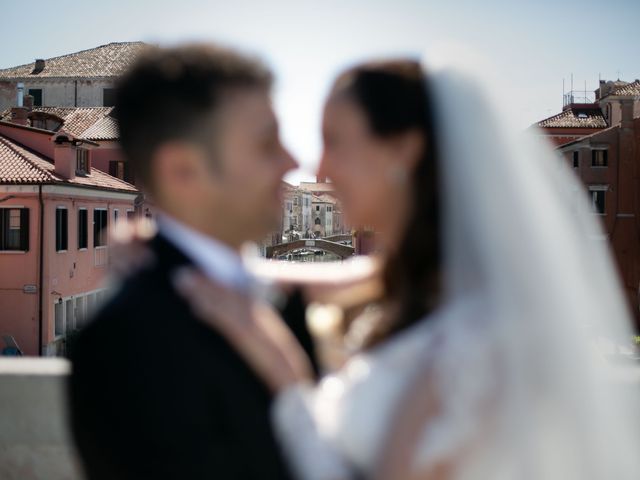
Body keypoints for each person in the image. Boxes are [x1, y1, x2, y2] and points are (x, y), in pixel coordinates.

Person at [175, 55, 640, 479]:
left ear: (404, 149)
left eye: (334, 142)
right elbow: (332, 277)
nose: (318, 167)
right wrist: (178, 252)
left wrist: (286, 376)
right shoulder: (433, 279)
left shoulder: (473, 346)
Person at [68, 44, 317, 480]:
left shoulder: (285, 301)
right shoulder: (124, 344)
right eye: (265, 144)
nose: (292, 162)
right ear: (182, 171)